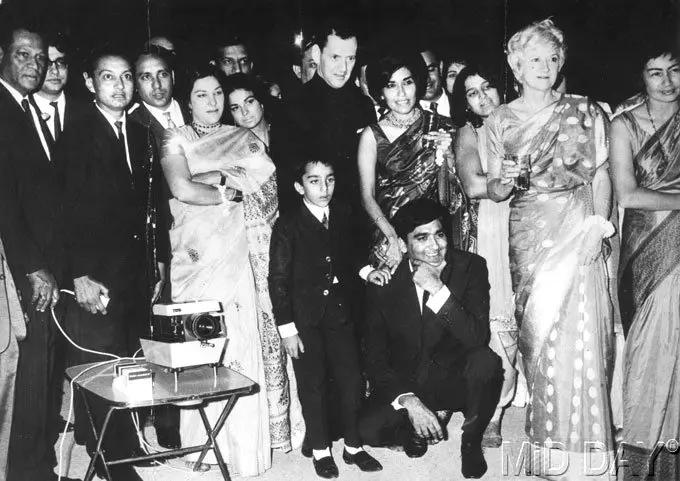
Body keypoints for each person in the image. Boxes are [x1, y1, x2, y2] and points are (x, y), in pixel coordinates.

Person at [485, 19, 614, 479]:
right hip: (527, 230)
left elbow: (600, 173)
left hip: (578, 225)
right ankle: (548, 454)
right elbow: (497, 191)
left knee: (581, 337)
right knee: (538, 336)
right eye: (534, 58)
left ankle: (589, 457)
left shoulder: (586, 111)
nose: (545, 66)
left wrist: (597, 228)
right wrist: (506, 179)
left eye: (553, 58)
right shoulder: (499, 119)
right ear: (515, 64)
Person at [160, 64, 303, 475]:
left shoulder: (243, 137)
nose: (213, 102)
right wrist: (227, 186)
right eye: (202, 94)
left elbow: (269, 184)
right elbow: (181, 188)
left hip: (240, 251)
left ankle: (244, 451)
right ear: (187, 100)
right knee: (199, 345)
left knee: (240, 342)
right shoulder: (174, 137)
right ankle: (200, 447)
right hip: (196, 255)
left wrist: (212, 174)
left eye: (218, 93)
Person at [56, 47, 169, 481]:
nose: (120, 86)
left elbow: (154, 203)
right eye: (109, 78)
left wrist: (159, 261)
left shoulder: (140, 133)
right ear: (90, 83)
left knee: (126, 360)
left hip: (134, 270)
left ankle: (124, 444)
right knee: (99, 365)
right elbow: (65, 210)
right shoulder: (77, 132)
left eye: (126, 78)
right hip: (94, 272)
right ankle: (109, 458)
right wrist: (79, 275)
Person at [358, 198, 502, 479]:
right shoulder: (384, 285)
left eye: (439, 234)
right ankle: (413, 428)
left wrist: (438, 289)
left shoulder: (470, 267)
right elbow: (375, 358)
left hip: (454, 377)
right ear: (402, 245)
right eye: (421, 238)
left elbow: (476, 338)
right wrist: (409, 400)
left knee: (488, 363)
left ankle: (470, 441)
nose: (434, 246)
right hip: (411, 380)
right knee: (365, 430)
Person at [268, 159, 383, 479]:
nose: (324, 188)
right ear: (299, 186)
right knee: (313, 384)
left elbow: (351, 258)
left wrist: (367, 272)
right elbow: (277, 279)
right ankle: (320, 449)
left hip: (340, 311)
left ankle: (353, 447)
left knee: (351, 380)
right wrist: (287, 329)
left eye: (329, 180)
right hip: (304, 319)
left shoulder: (343, 214)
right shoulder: (288, 224)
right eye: (315, 181)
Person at [610, 39, 680, 479]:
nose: (667, 82)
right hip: (645, 249)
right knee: (652, 348)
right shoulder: (625, 125)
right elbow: (628, 194)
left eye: (675, 70)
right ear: (642, 77)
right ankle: (640, 465)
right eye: (656, 73)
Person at [0, 24, 66, 481]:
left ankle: (37, 463)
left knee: (42, 374)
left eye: (40, 57)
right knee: (27, 375)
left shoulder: (23, 109)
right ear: (3, 55)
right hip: (22, 269)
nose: (34, 65)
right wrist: (33, 266)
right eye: (23, 55)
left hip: (40, 261)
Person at [452, 61, 519, 448]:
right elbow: (475, 185)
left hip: (539, 222)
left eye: (488, 87)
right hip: (495, 225)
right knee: (498, 325)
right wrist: (513, 178)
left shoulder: (524, 119)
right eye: (472, 92)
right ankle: (491, 413)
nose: (483, 98)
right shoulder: (469, 132)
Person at [358, 52, 465, 273]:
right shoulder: (371, 135)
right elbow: (367, 196)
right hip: (389, 233)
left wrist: (449, 156)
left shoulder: (442, 127)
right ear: (381, 92)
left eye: (407, 82)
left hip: (434, 235)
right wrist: (391, 237)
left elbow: (457, 195)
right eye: (391, 85)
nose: (401, 93)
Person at [280, 17, 375, 211]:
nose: (344, 68)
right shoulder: (292, 107)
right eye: (335, 57)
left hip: (359, 221)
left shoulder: (363, 103)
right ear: (316, 53)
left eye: (351, 58)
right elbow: (286, 184)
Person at [419, 49, 451, 117]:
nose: (426, 78)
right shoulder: (402, 114)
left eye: (430, 70)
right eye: (419, 72)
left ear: (441, 67)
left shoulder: (465, 104)